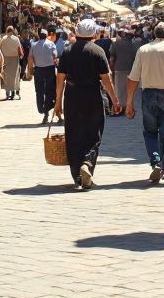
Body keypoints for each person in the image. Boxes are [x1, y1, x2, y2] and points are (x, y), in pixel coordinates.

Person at [54, 18, 121, 190]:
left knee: (73, 134)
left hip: (72, 96)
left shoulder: (68, 51)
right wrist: (115, 100)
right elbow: (106, 79)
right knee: (93, 133)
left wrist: (57, 103)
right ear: (93, 34)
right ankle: (87, 163)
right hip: (93, 95)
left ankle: (77, 175)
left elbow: (60, 79)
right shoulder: (98, 51)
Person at [124, 22, 164, 184]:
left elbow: (133, 78)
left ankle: (156, 162)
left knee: (150, 132)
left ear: (153, 34)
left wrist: (129, 102)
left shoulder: (144, 50)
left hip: (149, 95)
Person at [30, 29, 59, 124]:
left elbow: (30, 57)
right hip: (49, 70)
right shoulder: (51, 44)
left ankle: (41, 109)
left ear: (39, 36)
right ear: (46, 36)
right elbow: (55, 56)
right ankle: (46, 109)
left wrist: (31, 68)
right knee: (49, 90)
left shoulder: (34, 45)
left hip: (38, 70)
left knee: (39, 91)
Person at [110, 29, 135, 105]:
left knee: (120, 89)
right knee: (128, 89)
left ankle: (121, 107)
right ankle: (129, 105)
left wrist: (111, 67)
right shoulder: (132, 44)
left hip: (119, 68)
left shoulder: (115, 44)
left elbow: (111, 57)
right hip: (130, 68)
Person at [0, 27, 23, 100]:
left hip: (5, 59)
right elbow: (19, 49)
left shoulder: (3, 39)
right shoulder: (16, 39)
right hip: (15, 59)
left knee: (6, 77)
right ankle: (13, 91)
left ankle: (8, 93)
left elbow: (0, 49)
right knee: (14, 76)